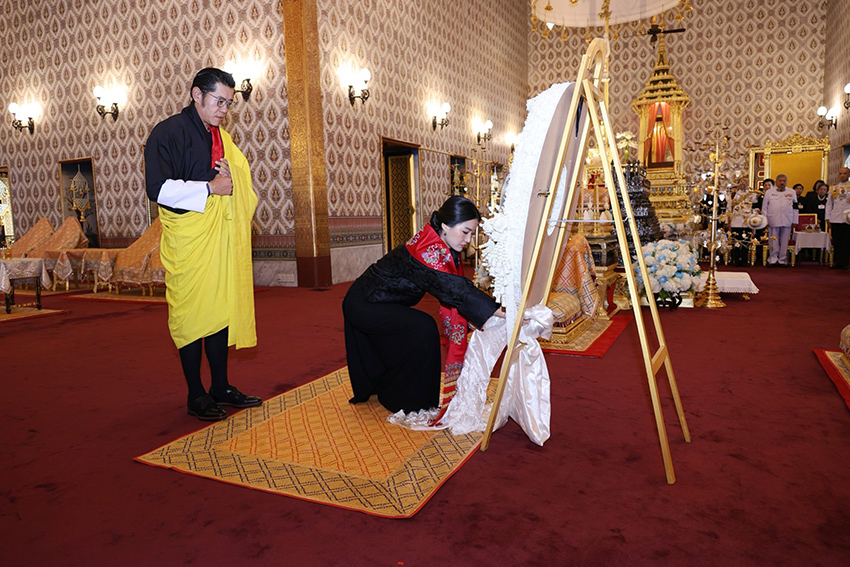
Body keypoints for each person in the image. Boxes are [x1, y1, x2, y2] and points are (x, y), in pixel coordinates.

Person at [144, 68, 261, 421]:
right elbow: (158, 190)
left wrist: (230, 176)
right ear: (197, 95)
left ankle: (221, 386)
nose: (224, 109)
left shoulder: (221, 136)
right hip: (188, 241)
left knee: (220, 311)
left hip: (218, 236)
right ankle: (196, 393)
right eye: (218, 101)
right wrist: (210, 188)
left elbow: (237, 175)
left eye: (229, 103)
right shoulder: (167, 133)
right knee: (193, 317)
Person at [343, 196, 502, 422]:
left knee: (417, 328)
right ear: (445, 226)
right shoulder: (427, 249)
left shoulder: (438, 242)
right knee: (423, 328)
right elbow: (453, 288)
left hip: (382, 302)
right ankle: (410, 401)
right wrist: (497, 310)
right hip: (365, 303)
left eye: (472, 233)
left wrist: (480, 311)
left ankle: (398, 387)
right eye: (465, 232)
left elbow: (449, 288)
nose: (469, 239)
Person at [762, 173, 797, 267]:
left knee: (785, 241)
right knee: (773, 241)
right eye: (780, 181)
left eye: (784, 181)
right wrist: (765, 220)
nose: (782, 182)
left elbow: (795, 208)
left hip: (787, 219)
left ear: (786, 182)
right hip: (773, 219)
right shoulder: (769, 192)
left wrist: (795, 220)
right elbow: (764, 207)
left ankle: (782, 260)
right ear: (776, 181)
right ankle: (773, 259)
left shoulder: (792, 192)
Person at [827, 167, 850, 270]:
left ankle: (845, 263)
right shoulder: (833, 188)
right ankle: (837, 262)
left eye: (844, 173)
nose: (842, 175)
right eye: (840, 173)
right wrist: (828, 218)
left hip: (848, 218)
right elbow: (829, 204)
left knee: (846, 242)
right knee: (837, 241)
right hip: (836, 218)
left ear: (848, 175)